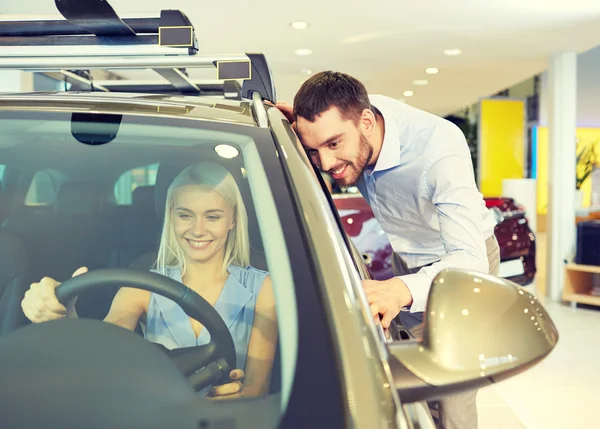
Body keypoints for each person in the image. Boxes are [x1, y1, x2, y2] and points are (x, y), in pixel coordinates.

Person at [275, 71, 500, 429]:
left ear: (366, 121)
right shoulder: (350, 120)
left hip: (462, 264)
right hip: (406, 260)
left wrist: (400, 289)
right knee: (413, 384)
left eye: (334, 144)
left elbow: (468, 257)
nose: (327, 163)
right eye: (316, 149)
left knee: (453, 394)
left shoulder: (438, 148)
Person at [20, 161, 278, 399]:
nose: (198, 229)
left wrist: (235, 398)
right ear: (170, 216)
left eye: (212, 216)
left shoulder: (263, 288)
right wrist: (65, 316)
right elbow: (101, 353)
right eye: (185, 215)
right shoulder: (141, 286)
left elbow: (257, 388)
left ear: (232, 219)